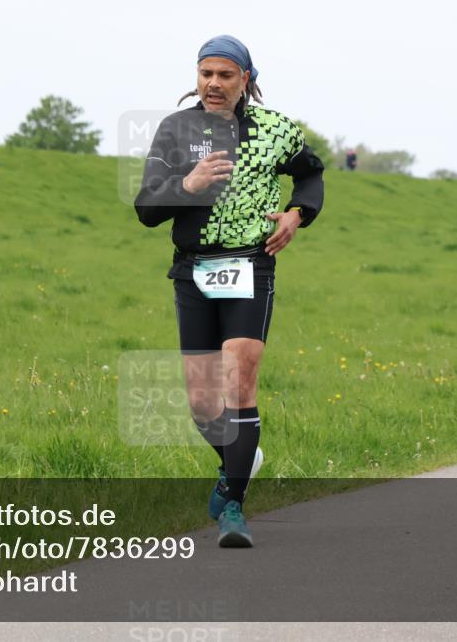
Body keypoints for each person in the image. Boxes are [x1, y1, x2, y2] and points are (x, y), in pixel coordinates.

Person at [133, 34, 325, 547]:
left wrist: (297, 213)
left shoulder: (276, 129)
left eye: (224, 74)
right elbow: (146, 210)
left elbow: (311, 175)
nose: (213, 84)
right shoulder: (176, 130)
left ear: (246, 79)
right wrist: (187, 186)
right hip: (193, 269)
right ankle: (240, 461)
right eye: (206, 74)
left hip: (251, 264)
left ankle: (234, 507)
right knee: (202, 403)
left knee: (240, 377)